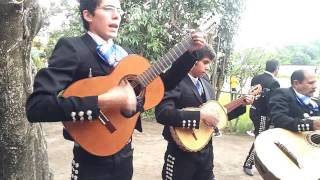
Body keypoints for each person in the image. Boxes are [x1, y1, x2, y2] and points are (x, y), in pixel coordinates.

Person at [25, 0, 206, 179]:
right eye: (109, 8)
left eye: (119, 10)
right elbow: (37, 107)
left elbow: (159, 87)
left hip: (125, 156)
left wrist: (189, 53)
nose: (117, 15)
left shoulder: (125, 55)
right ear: (88, 15)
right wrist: (103, 100)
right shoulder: (73, 48)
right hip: (90, 161)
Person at [155, 47, 254, 180]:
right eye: (206, 62)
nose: (208, 67)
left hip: (206, 153)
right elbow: (163, 114)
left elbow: (216, 114)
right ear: (193, 61)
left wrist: (241, 104)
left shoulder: (206, 82)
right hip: (180, 154)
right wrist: (199, 115)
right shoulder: (174, 81)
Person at [242, 59, 280, 176]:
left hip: (253, 111)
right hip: (263, 115)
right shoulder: (274, 82)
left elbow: (253, 94)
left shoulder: (256, 78)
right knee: (260, 139)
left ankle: (261, 162)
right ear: (276, 69)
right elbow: (272, 102)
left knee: (262, 138)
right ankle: (248, 164)